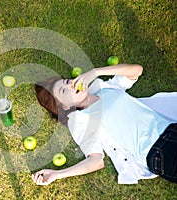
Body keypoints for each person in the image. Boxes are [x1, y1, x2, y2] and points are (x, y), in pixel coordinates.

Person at [32, 64, 177, 185]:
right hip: (158, 151)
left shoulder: (104, 88)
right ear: (64, 106)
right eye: (64, 91)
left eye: (67, 81)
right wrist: (57, 174)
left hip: (170, 127)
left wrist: (96, 72)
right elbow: (95, 160)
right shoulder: (80, 120)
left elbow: (136, 71)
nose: (70, 84)